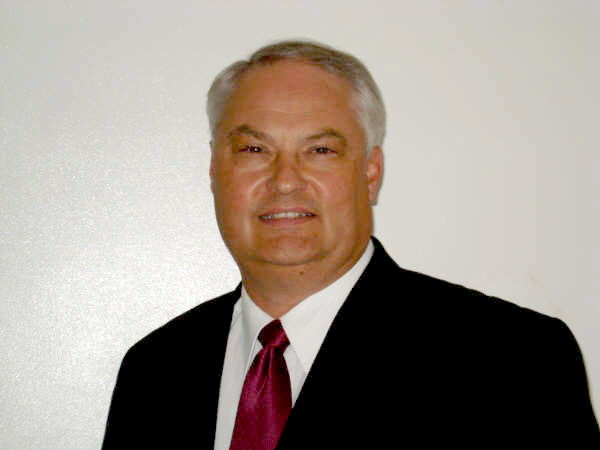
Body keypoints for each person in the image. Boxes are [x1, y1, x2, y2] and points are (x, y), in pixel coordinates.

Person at [102, 40, 599, 449]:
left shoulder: (514, 364)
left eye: (320, 150)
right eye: (254, 149)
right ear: (215, 171)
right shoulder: (153, 373)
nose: (285, 180)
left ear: (370, 173)